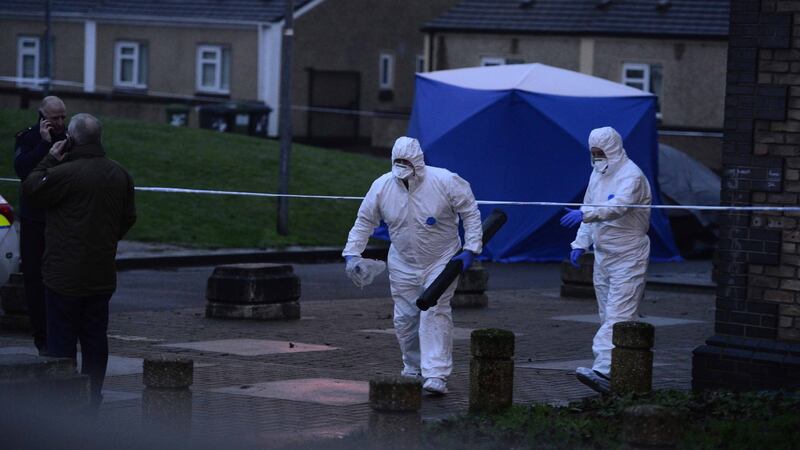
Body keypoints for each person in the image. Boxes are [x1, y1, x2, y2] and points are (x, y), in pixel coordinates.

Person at [343, 136, 482, 395]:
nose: (403, 174)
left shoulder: (445, 181)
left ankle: (436, 374)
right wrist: (352, 253)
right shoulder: (382, 187)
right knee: (405, 320)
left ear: (418, 163)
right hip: (402, 263)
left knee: (434, 312)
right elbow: (364, 221)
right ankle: (413, 368)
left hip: (442, 261)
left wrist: (471, 248)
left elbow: (470, 212)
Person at [22, 113, 137, 408]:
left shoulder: (65, 173)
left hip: (63, 274)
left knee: (61, 341)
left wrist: (49, 158)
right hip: (100, 273)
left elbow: (32, 187)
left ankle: (65, 401)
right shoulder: (121, 174)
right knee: (95, 339)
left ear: (71, 140)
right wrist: (106, 241)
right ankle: (93, 396)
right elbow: (128, 218)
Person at [560, 126, 651, 394]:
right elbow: (589, 208)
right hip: (603, 256)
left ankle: (604, 371)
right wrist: (580, 243)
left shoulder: (631, 176)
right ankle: (623, 373)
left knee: (618, 314)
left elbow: (618, 207)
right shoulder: (598, 174)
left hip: (628, 254)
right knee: (608, 316)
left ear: (613, 149)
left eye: (601, 152)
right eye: (593, 152)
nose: (597, 157)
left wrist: (585, 216)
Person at [13, 96, 68, 355]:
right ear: (42, 116)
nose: (59, 123)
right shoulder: (29, 138)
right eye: (54, 118)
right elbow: (23, 171)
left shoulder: (70, 137)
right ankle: (41, 338)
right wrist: (44, 146)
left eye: (62, 117)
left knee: (60, 278)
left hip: (59, 218)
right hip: (35, 219)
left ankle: (58, 335)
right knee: (34, 280)